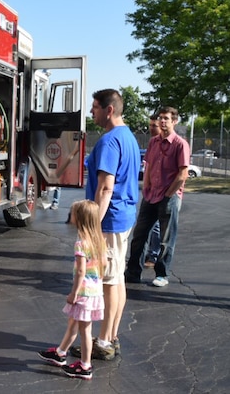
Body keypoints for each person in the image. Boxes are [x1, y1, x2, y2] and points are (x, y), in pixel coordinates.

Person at [73, 89, 140, 361]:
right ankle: (111, 336)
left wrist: (92, 227)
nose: (92, 112)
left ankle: (103, 342)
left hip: (110, 220)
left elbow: (105, 188)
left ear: (109, 110)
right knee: (118, 279)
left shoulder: (111, 141)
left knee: (110, 282)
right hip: (123, 218)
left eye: (95, 107)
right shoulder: (129, 137)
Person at [38, 200, 105, 380]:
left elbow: (81, 271)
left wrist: (74, 293)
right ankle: (60, 353)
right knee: (73, 323)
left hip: (83, 293)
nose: (71, 216)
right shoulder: (99, 241)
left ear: (80, 219)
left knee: (85, 330)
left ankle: (85, 365)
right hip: (95, 292)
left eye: (73, 213)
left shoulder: (81, 243)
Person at [125, 106, 190, 287]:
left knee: (165, 239)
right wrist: (145, 187)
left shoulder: (180, 144)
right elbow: (148, 166)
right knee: (139, 235)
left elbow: (182, 174)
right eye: (161, 118)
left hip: (168, 197)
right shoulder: (154, 142)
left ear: (174, 121)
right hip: (151, 195)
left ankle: (162, 274)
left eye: (166, 118)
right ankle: (132, 272)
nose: (162, 121)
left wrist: (168, 195)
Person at [144, 115, 161, 267]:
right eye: (149, 125)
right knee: (144, 227)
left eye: (153, 126)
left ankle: (153, 256)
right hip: (150, 191)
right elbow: (148, 165)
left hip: (163, 193)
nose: (151, 128)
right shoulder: (152, 143)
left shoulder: (174, 144)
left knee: (156, 227)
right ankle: (147, 255)